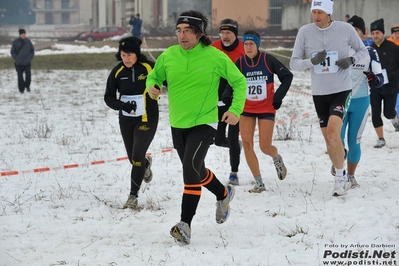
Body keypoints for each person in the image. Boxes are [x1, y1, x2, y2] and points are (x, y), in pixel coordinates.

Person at [146, 10, 247, 244]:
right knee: (196, 170)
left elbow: (239, 81)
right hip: (177, 124)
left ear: (200, 33)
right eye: (179, 31)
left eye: (188, 31)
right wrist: (152, 88)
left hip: (205, 122)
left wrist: (235, 110)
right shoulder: (169, 55)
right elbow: (154, 77)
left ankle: (185, 225)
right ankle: (223, 193)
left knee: (190, 170)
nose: (182, 35)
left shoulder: (215, 56)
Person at [290, 0, 368, 197]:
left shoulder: (345, 29)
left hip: (341, 89)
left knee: (333, 134)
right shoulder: (305, 32)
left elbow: (363, 52)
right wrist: (311, 61)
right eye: (314, 11)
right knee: (329, 141)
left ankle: (341, 178)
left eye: (320, 12)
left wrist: (351, 60)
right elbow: (294, 63)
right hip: (319, 93)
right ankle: (340, 159)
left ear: (329, 14)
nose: (316, 16)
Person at [225, 30, 293, 193]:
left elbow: (287, 76)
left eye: (251, 44)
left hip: (266, 108)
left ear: (257, 45)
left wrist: (278, 97)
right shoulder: (240, 63)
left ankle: (276, 158)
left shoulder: (267, 60)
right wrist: (227, 94)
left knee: (264, 147)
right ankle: (259, 183)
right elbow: (231, 81)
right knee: (247, 144)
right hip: (246, 109)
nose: (248, 47)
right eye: (245, 44)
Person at [104, 36, 158, 210]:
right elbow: (108, 97)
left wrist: (158, 88)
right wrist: (121, 105)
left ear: (137, 54)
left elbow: (166, 82)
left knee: (136, 155)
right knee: (133, 158)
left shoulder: (149, 67)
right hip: (126, 120)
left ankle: (132, 196)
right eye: (123, 55)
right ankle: (146, 164)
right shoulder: (117, 72)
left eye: (129, 55)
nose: (126, 59)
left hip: (147, 118)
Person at [335, 15, 384, 187]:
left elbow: (381, 77)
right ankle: (339, 165)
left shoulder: (370, 52)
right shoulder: (338, 50)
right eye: (349, 30)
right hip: (339, 102)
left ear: (364, 34)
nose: (352, 34)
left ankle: (351, 175)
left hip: (360, 102)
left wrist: (374, 79)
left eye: (356, 31)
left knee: (354, 141)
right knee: (336, 140)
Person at [211, 18, 245, 186]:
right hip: (218, 97)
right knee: (217, 139)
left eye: (229, 33)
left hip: (236, 97)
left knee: (232, 137)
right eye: (222, 33)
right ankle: (236, 146)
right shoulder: (214, 47)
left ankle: (234, 172)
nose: (225, 36)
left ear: (235, 35)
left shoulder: (243, 49)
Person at [369, 19, 399, 144]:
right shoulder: (369, 50)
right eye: (373, 33)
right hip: (375, 88)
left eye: (377, 33)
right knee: (375, 114)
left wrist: (394, 75)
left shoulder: (394, 48)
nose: (375, 36)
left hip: (391, 88)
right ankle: (381, 139)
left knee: (388, 113)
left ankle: (395, 116)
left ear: (383, 33)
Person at [10, 29, 34, 93]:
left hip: (27, 62)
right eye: (22, 34)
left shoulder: (28, 41)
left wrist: (30, 57)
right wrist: (16, 58)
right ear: (20, 35)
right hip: (19, 63)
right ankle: (21, 89)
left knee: (28, 75)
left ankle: (27, 86)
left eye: (24, 34)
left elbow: (32, 50)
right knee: (20, 77)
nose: (24, 35)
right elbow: (12, 51)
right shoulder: (15, 42)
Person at [387, 24, 399, 128]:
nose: (397, 35)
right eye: (395, 33)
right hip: (392, 76)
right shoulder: (389, 43)